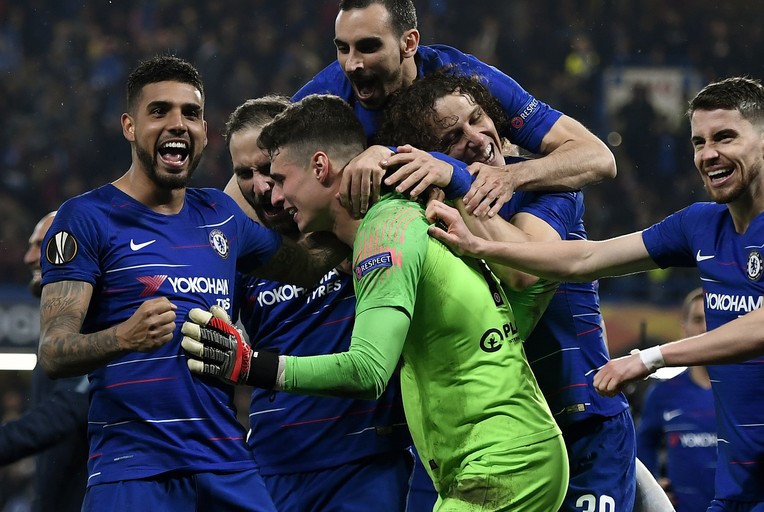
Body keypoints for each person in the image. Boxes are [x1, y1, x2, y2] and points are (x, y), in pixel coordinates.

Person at [425, 76, 764, 511]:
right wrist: (484, 245)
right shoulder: (700, 224)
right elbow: (585, 259)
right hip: (736, 490)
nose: (709, 155)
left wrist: (648, 358)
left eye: (725, 138)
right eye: (699, 142)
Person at [182, 93, 569, 511]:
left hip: (500, 463)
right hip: (500, 457)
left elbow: (367, 371)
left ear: (319, 166)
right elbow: (533, 287)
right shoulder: (406, 218)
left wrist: (250, 365)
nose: (272, 197)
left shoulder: (384, 236)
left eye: (280, 179)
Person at [38, 55, 346, 511]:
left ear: (205, 131)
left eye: (191, 113)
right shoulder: (85, 218)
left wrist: (367, 209)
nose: (178, 123)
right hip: (133, 469)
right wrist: (124, 336)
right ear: (128, 126)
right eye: (159, 111)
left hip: (227, 464)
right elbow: (53, 351)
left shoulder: (223, 216)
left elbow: (306, 266)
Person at [375, 71, 638, 512]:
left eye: (479, 119)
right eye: (454, 137)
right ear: (429, 156)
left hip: (581, 419)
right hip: (474, 438)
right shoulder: (422, 210)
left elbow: (526, 270)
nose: (478, 138)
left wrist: (457, 176)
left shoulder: (549, 185)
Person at [221, 0, 615, 220]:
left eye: (369, 47)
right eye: (343, 48)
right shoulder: (325, 97)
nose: (352, 64)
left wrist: (511, 177)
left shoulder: (467, 81)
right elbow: (250, 172)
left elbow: (597, 157)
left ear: (409, 43)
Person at [224, 95, 412, 511]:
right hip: (274, 462)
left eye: (269, 170)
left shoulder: (366, 223)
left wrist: (381, 152)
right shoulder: (238, 252)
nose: (261, 186)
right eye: (244, 174)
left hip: (366, 459)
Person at [0, 211, 88, 512]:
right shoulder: (59, 328)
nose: (28, 257)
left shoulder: (99, 328)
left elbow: (64, 414)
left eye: (40, 245)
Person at [636, 288, 716, 512]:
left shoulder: (743, 391)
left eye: (711, 318)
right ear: (685, 329)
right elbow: (643, 443)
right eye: (698, 319)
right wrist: (652, 489)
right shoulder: (663, 393)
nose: (705, 327)